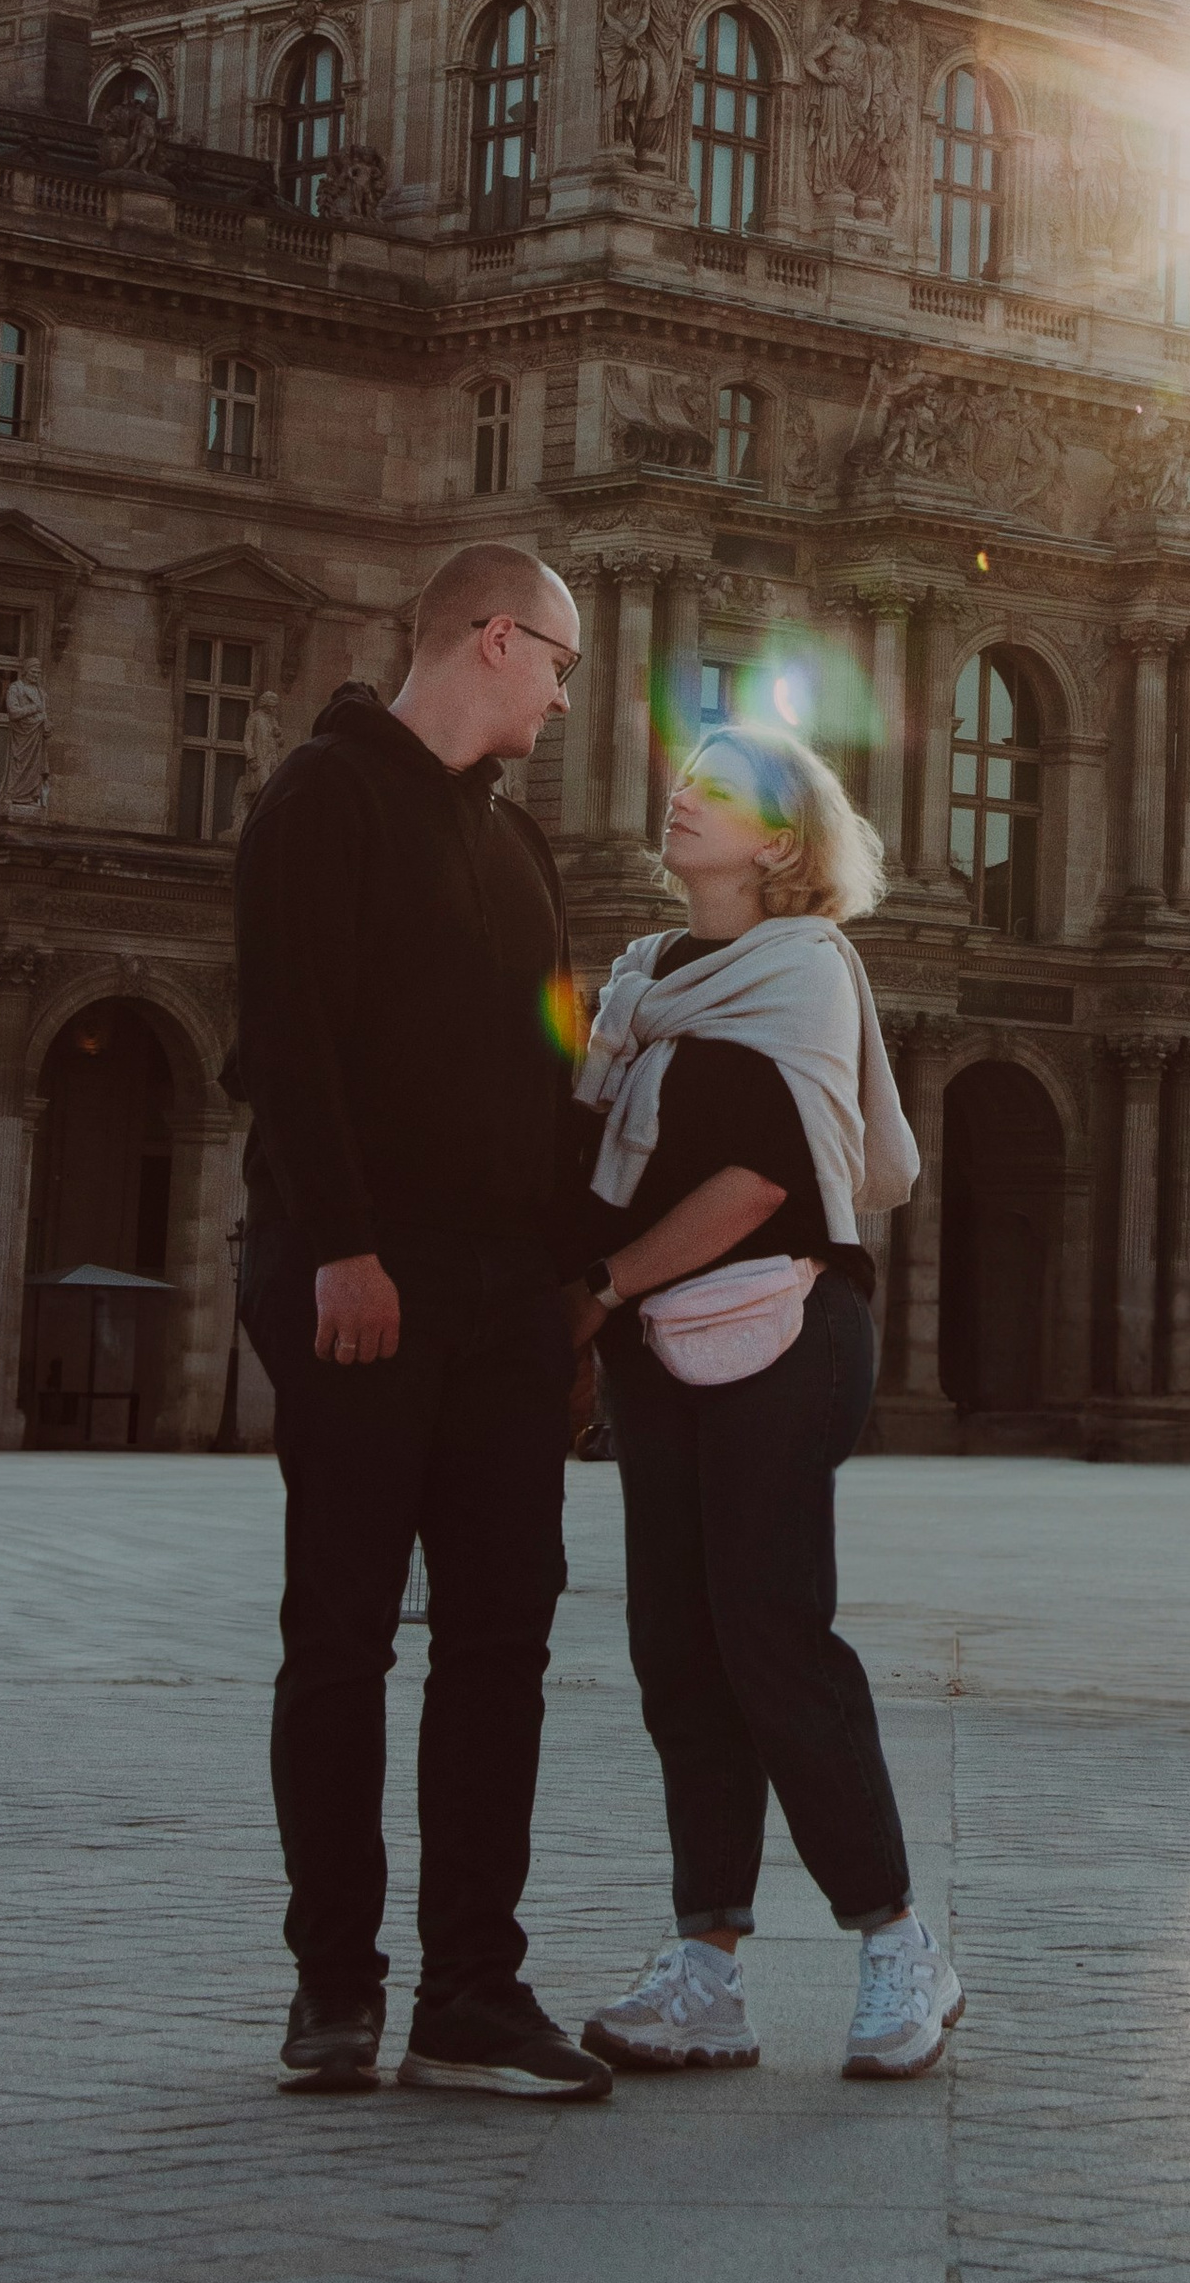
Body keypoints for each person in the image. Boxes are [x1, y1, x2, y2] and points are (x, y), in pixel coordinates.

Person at [231, 540, 610, 2104]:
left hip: (506, 1305)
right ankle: (335, 1985)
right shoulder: (323, 798)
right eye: (564, 665)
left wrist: (580, 1282)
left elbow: (557, 1076)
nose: (571, 697)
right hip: (363, 1286)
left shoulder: (522, 854)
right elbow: (288, 1037)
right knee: (340, 1636)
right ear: (498, 639)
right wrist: (343, 1247)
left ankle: (470, 1992)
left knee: (501, 1644)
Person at [568, 728, 962, 2084]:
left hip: (787, 1330)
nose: (682, 797)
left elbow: (760, 1183)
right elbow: (597, 1166)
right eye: (682, 777)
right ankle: (709, 1967)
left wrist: (595, 1288)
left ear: (782, 847)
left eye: (720, 793)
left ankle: (899, 1940)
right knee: (678, 1648)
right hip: (651, 1338)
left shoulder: (801, 972)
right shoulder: (641, 981)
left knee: (771, 1635)